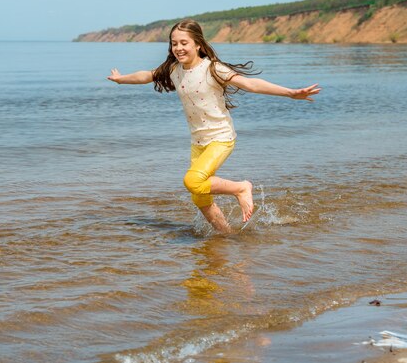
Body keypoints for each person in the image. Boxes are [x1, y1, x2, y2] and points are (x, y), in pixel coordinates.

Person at [107, 19, 320, 234]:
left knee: (192, 180)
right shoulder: (173, 69)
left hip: (221, 138)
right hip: (198, 142)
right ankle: (227, 236)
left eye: (184, 43)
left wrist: (291, 93)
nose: (178, 48)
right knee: (199, 197)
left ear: (198, 44)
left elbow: (250, 84)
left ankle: (241, 188)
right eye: (174, 43)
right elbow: (146, 75)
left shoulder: (213, 68)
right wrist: (121, 79)